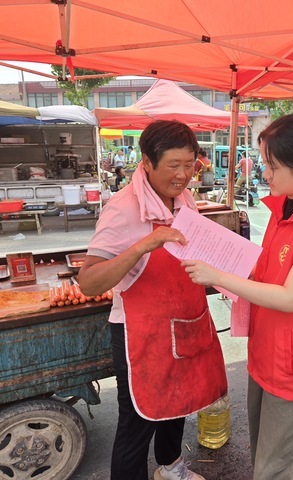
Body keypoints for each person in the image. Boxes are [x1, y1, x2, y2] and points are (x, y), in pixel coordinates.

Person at [181, 114, 293, 480]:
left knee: (275, 467)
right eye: (263, 163)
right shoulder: (283, 204)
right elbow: (266, 268)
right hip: (268, 352)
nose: (265, 174)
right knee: (289, 455)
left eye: (272, 166)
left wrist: (219, 275)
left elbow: (290, 297)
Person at [77, 120, 227, 480]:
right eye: (173, 165)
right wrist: (146, 243)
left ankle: (172, 467)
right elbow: (89, 281)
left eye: (189, 165)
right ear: (147, 161)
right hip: (140, 335)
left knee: (179, 404)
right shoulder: (122, 208)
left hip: (184, 322)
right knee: (137, 422)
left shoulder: (183, 197)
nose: (183, 175)